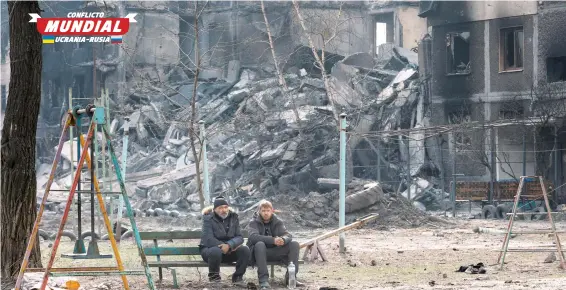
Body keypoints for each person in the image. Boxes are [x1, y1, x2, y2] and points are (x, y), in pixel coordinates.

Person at [247, 200, 305, 289]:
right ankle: (263, 281)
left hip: (275, 252)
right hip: (259, 254)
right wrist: (273, 240)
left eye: (268, 211)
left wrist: (283, 239)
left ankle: (291, 278)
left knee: (294, 244)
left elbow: (288, 235)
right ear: (259, 211)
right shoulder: (253, 222)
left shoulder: (277, 221)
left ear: (272, 211)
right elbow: (253, 237)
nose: (266, 213)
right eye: (263, 211)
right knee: (259, 244)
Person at [199, 196, 250, 286]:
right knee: (215, 251)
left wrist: (229, 245)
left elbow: (239, 237)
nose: (224, 210)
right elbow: (208, 239)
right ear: (215, 209)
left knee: (245, 250)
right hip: (210, 252)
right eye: (220, 208)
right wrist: (223, 246)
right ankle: (215, 280)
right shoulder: (208, 219)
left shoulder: (234, 217)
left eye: (225, 207)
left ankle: (238, 278)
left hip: (229, 250)